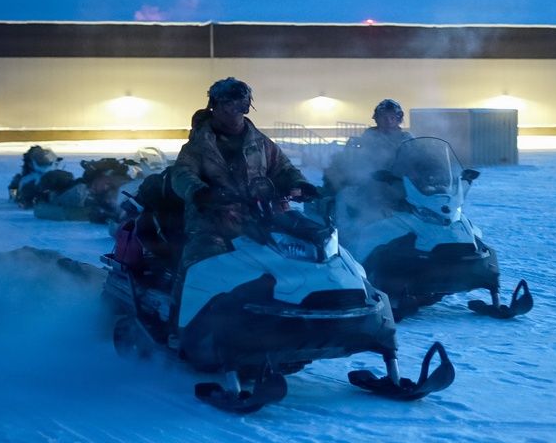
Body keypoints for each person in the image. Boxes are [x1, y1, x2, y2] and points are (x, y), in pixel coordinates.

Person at [167, 77, 316, 330]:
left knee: (298, 257)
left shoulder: (260, 142)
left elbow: (283, 168)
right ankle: (179, 325)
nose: (237, 110)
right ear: (214, 105)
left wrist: (300, 185)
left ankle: (293, 318)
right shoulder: (198, 146)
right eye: (230, 104)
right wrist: (201, 192)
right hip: (213, 221)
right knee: (200, 262)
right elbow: (182, 174)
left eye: (243, 104)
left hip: (261, 219)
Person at [322, 99, 415, 196]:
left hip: (402, 182)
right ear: (377, 119)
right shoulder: (369, 137)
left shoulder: (407, 139)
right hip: (371, 184)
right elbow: (360, 161)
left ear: (399, 120)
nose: (389, 121)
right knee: (347, 196)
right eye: (384, 118)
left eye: (392, 117)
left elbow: (417, 158)